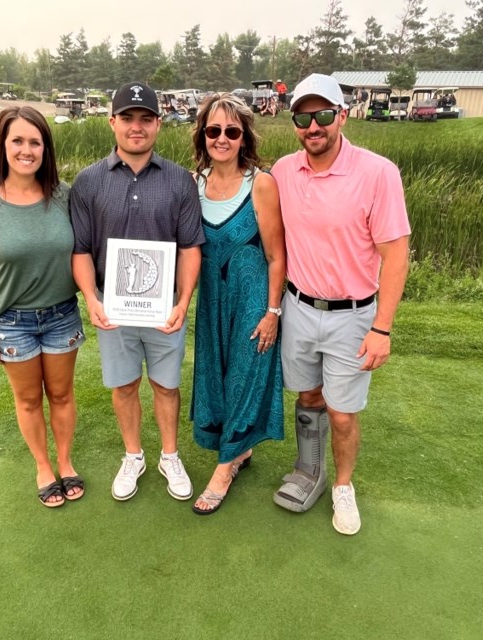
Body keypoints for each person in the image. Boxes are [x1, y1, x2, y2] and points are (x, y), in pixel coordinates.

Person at [271, 73, 411, 536]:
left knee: (343, 411)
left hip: (353, 316)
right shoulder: (284, 172)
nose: (314, 126)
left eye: (324, 115)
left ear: (342, 116)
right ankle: (308, 470)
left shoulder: (378, 173)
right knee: (308, 396)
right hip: (298, 308)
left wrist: (383, 328)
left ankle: (343, 487)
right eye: (303, 117)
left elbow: (395, 256)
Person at [70, 81, 206, 502]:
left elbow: (190, 248)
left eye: (145, 119)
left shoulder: (180, 181)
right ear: (112, 122)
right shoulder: (89, 181)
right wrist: (91, 298)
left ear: (158, 124)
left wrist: (184, 301)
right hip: (113, 308)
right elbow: (80, 250)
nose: (136, 127)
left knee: (166, 386)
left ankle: (169, 454)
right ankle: (133, 455)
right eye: (127, 118)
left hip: (164, 309)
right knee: (124, 385)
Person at [0, 106, 87, 509]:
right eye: (17, 140)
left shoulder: (64, 196)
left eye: (35, 142)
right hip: (12, 323)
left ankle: (65, 462)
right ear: (2, 144)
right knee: (30, 400)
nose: (26, 150)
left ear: (45, 148)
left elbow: (86, 252)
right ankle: (43, 467)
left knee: (63, 395)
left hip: (61, 315)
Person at [187, 93, 287, 515]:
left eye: (231, 130)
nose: (222, 138)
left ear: (244, 135)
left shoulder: (260, 183)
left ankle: (224, 468)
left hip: (251, 302)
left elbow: (276, 255)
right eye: (214, 130)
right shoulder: (195, 183)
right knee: (216, 375)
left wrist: (272, 312)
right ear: (203, 135)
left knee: (246, 374)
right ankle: (239, 451)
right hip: (211, 301)